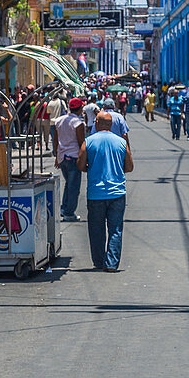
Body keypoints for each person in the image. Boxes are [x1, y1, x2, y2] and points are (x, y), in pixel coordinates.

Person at [79, 112, 134, 272]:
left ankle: (98, 261)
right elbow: (130, 167)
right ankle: (111, 264)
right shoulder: (121, 142)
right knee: (115, 228)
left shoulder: (88, 141)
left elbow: (80, 165)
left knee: (96, 228)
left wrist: (90, 167)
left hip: (95, 193)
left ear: (96, 123)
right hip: (117, 193)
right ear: (110, 124)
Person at [53, 98, 87, 222]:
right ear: (80, 109)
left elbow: (55, 140)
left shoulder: (59, 120)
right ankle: (69, 212)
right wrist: (85, 159)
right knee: (73, 187)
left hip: (62, 157)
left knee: (68, 184)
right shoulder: (78, 123)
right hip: (73, 157)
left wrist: (57, 156)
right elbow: (81, 142)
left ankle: (64, 208)